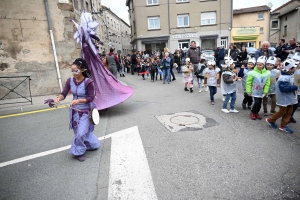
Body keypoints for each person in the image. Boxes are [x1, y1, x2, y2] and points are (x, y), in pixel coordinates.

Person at [71, 12, 133, 110]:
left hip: (88, 62)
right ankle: (103, 101)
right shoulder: (86, 35)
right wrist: (97, 59)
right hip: (91, 61)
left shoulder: (82, 32)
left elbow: (89, 44)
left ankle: (97, 102)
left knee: (95, 81)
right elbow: (92, 45)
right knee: (100, 80)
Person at [55, 58, 100, 162]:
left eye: (76, 71)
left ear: (82, 70)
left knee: (81, 133)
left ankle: (78, 151)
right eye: (72, 71)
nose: (74, 73)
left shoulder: (88, 82)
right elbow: (64, 93)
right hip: (74, 111)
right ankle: (87, 145)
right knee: (78, 132)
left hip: (85, 111)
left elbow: (91, 98)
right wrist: (59, 98)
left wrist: (79, 101)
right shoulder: (69, 81)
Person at [266, 59, 298, 133]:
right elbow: (283, 89)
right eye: (294, 67)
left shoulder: (289, 75)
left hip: (289, 98)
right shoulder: (283, 78)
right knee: (282, 112)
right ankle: (270, 120)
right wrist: (295, 86)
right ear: (290, 68)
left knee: (289, 112)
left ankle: (283, 126)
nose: (295, 68)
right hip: (284, 99)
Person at [290, 53, 300, 123]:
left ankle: (291, 116)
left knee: (295, 104)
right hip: (291, 89)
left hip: (298, 90)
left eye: (297, 61)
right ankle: (286, 116)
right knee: (290, 104)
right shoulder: (290, 68)